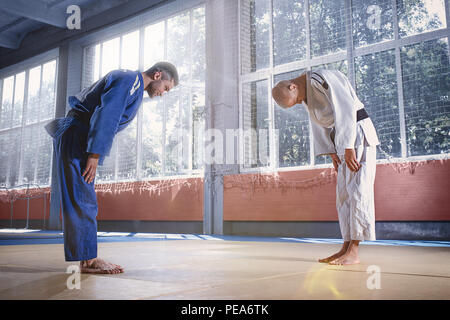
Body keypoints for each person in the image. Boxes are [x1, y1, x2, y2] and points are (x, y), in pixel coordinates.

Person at [45, 62, 179, 274]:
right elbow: (108, 115)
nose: (163, 94)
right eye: (166, 88)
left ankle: (86, 257)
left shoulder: (133, 87)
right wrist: (95, 154)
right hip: (77, 136)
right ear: (157, 74)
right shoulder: (129, 80)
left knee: (82, 196)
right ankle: (88, 260)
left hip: (79, 136)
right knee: (82, 198)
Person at [272, 69, 379, 265]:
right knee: (344, 194)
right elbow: (318, 123)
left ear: (292, 86)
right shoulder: (305, 95)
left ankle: (354, 251)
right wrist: (331, 150)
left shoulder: (320, 78)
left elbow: (346, 108)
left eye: (294, 101)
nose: (297, 103)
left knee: (358, 191)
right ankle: (345, 247)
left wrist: (347, 146)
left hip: (357, 134)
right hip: (342, 140)